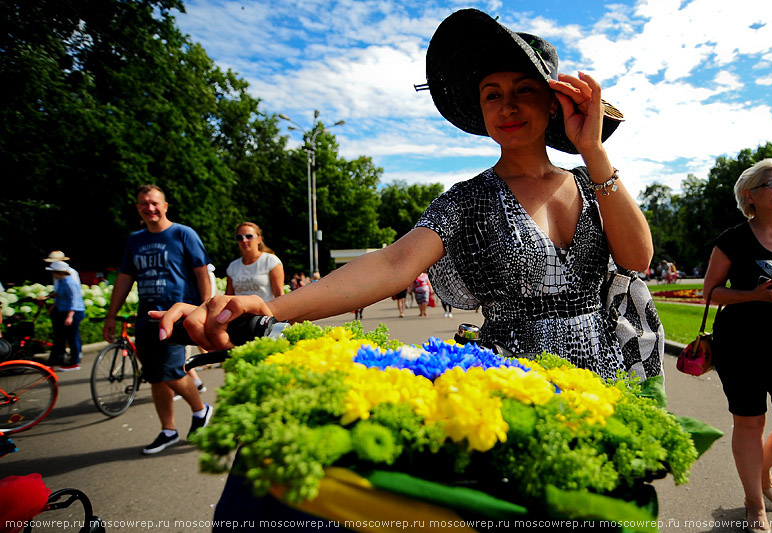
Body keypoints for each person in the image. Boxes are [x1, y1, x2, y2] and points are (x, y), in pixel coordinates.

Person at [156, 8, 652, 382]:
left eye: (523, 89)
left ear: (552, 102)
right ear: (481, 113)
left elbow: (638, 257)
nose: (508, 105)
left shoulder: (591, 183)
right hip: (512, 383)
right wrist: (270, 309)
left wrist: (592, 151)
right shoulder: (466, 201)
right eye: (492, 94)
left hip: (603, 377)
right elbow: (393, 264)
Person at [703, 159, 772, 533]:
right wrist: (752, 296)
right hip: (742, 347)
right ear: (751, 196)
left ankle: (760, 466)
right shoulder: (733, 239)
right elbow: (710, 291)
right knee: (750, 423)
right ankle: (753, 504)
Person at [103, 184, 213, 455]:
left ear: (165, 206)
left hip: (176, 318)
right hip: (146, 318)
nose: (149, 208)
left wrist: (204, 309)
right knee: (155, 377)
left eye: (154, 202)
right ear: (138, 208)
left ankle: (201, 410)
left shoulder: (182, 234)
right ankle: (168, 430)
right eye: (143, 203)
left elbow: (201, 273)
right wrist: (111, 315)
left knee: (172, 371)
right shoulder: (135, 240)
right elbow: (125, 279)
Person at [225, 222, 285, 303]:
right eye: (240, 237)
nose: (244, 240)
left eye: (249, 236)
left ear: (259, 239)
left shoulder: (270, 261)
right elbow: (228, 297)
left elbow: (279, 295)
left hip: (265, 312)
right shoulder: (233, 266)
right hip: (240, 313)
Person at [42, 261, 85, 370]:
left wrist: (70, 316)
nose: (52, 275)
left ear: (59, 272)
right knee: (60, 336)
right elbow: (59, 295)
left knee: (72, 337)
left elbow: (74, 300)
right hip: (64, 311)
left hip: (73, 312)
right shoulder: (61, 281)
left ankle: (74, 362)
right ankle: (57, 359)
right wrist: (51, 302)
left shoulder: (70, 283)